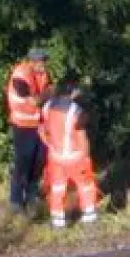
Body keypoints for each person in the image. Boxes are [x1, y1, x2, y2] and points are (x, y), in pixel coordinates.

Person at [38, 77, 100, 229]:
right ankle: (89, 215)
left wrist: (50, 145)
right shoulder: (76, 111)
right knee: (85, 185)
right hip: (75, 157)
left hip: (56, 157)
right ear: (72, 93)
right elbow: (81, 137)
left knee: (57, 187)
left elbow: (41, 130)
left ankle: (58, 219)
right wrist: (86, 156)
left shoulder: (47, 107)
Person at [5, 48, 51, 214]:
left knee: (39, 160)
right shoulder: (20, 76)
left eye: (45, 61)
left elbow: (48, 93)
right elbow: (35, 102)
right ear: (32, 62)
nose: (44, 65)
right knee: (23, 162)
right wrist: (47, 95)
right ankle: (16, 200)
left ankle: (32, 195)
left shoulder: (43, 74)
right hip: (23, 125)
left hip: (39, 124)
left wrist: (46, 95)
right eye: (41, 61)